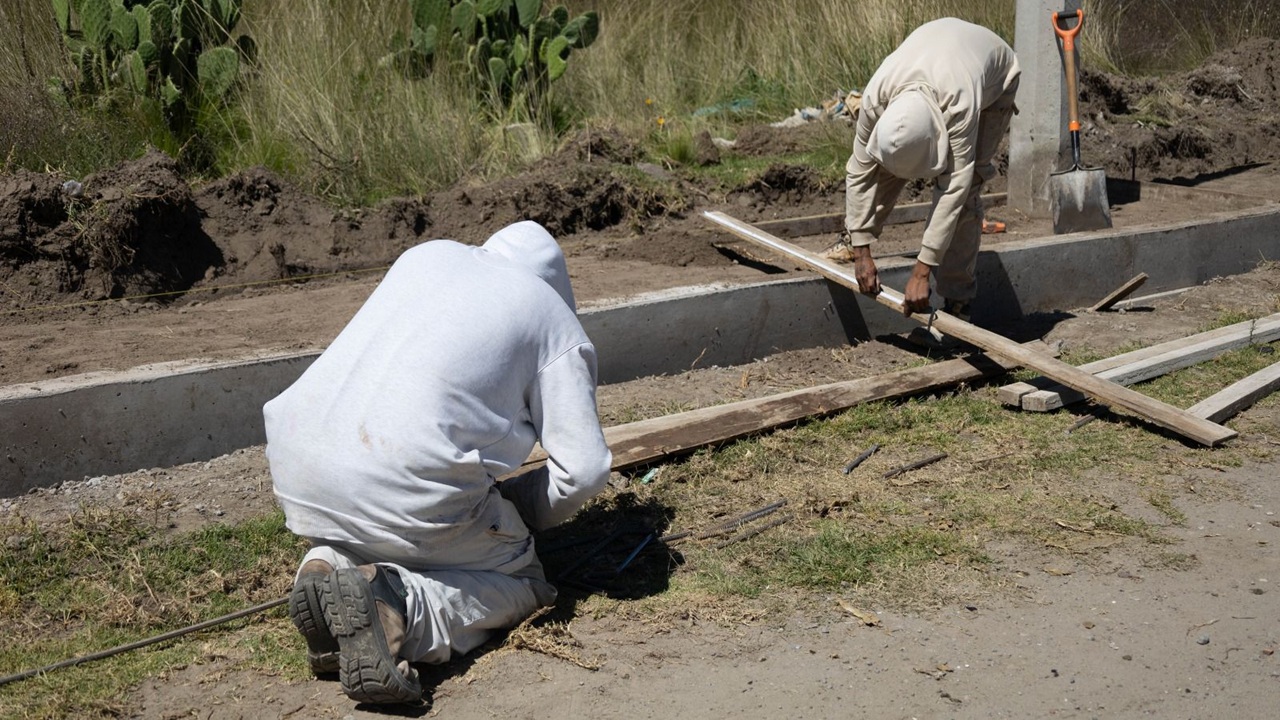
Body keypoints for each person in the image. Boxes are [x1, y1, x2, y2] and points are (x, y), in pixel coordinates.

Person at [263, 221, 612, 705]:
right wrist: (521, 508)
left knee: (393, 526)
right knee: (527, 581)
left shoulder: (427, 256)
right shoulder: (552, 316)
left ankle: (330, 561)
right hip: (403, 485)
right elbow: (585, 471)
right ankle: (400, 608)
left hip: (301, 468)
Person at [824, 17, 1020, 345]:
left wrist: (921, 271)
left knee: (968, 189)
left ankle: (958, 305)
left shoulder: (959, 106)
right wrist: (861, 250)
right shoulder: (874, 101)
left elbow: (953, 191)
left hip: (993, 78)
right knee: (886, 163)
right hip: (937, 57)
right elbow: (858, 171)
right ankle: (853, 235)